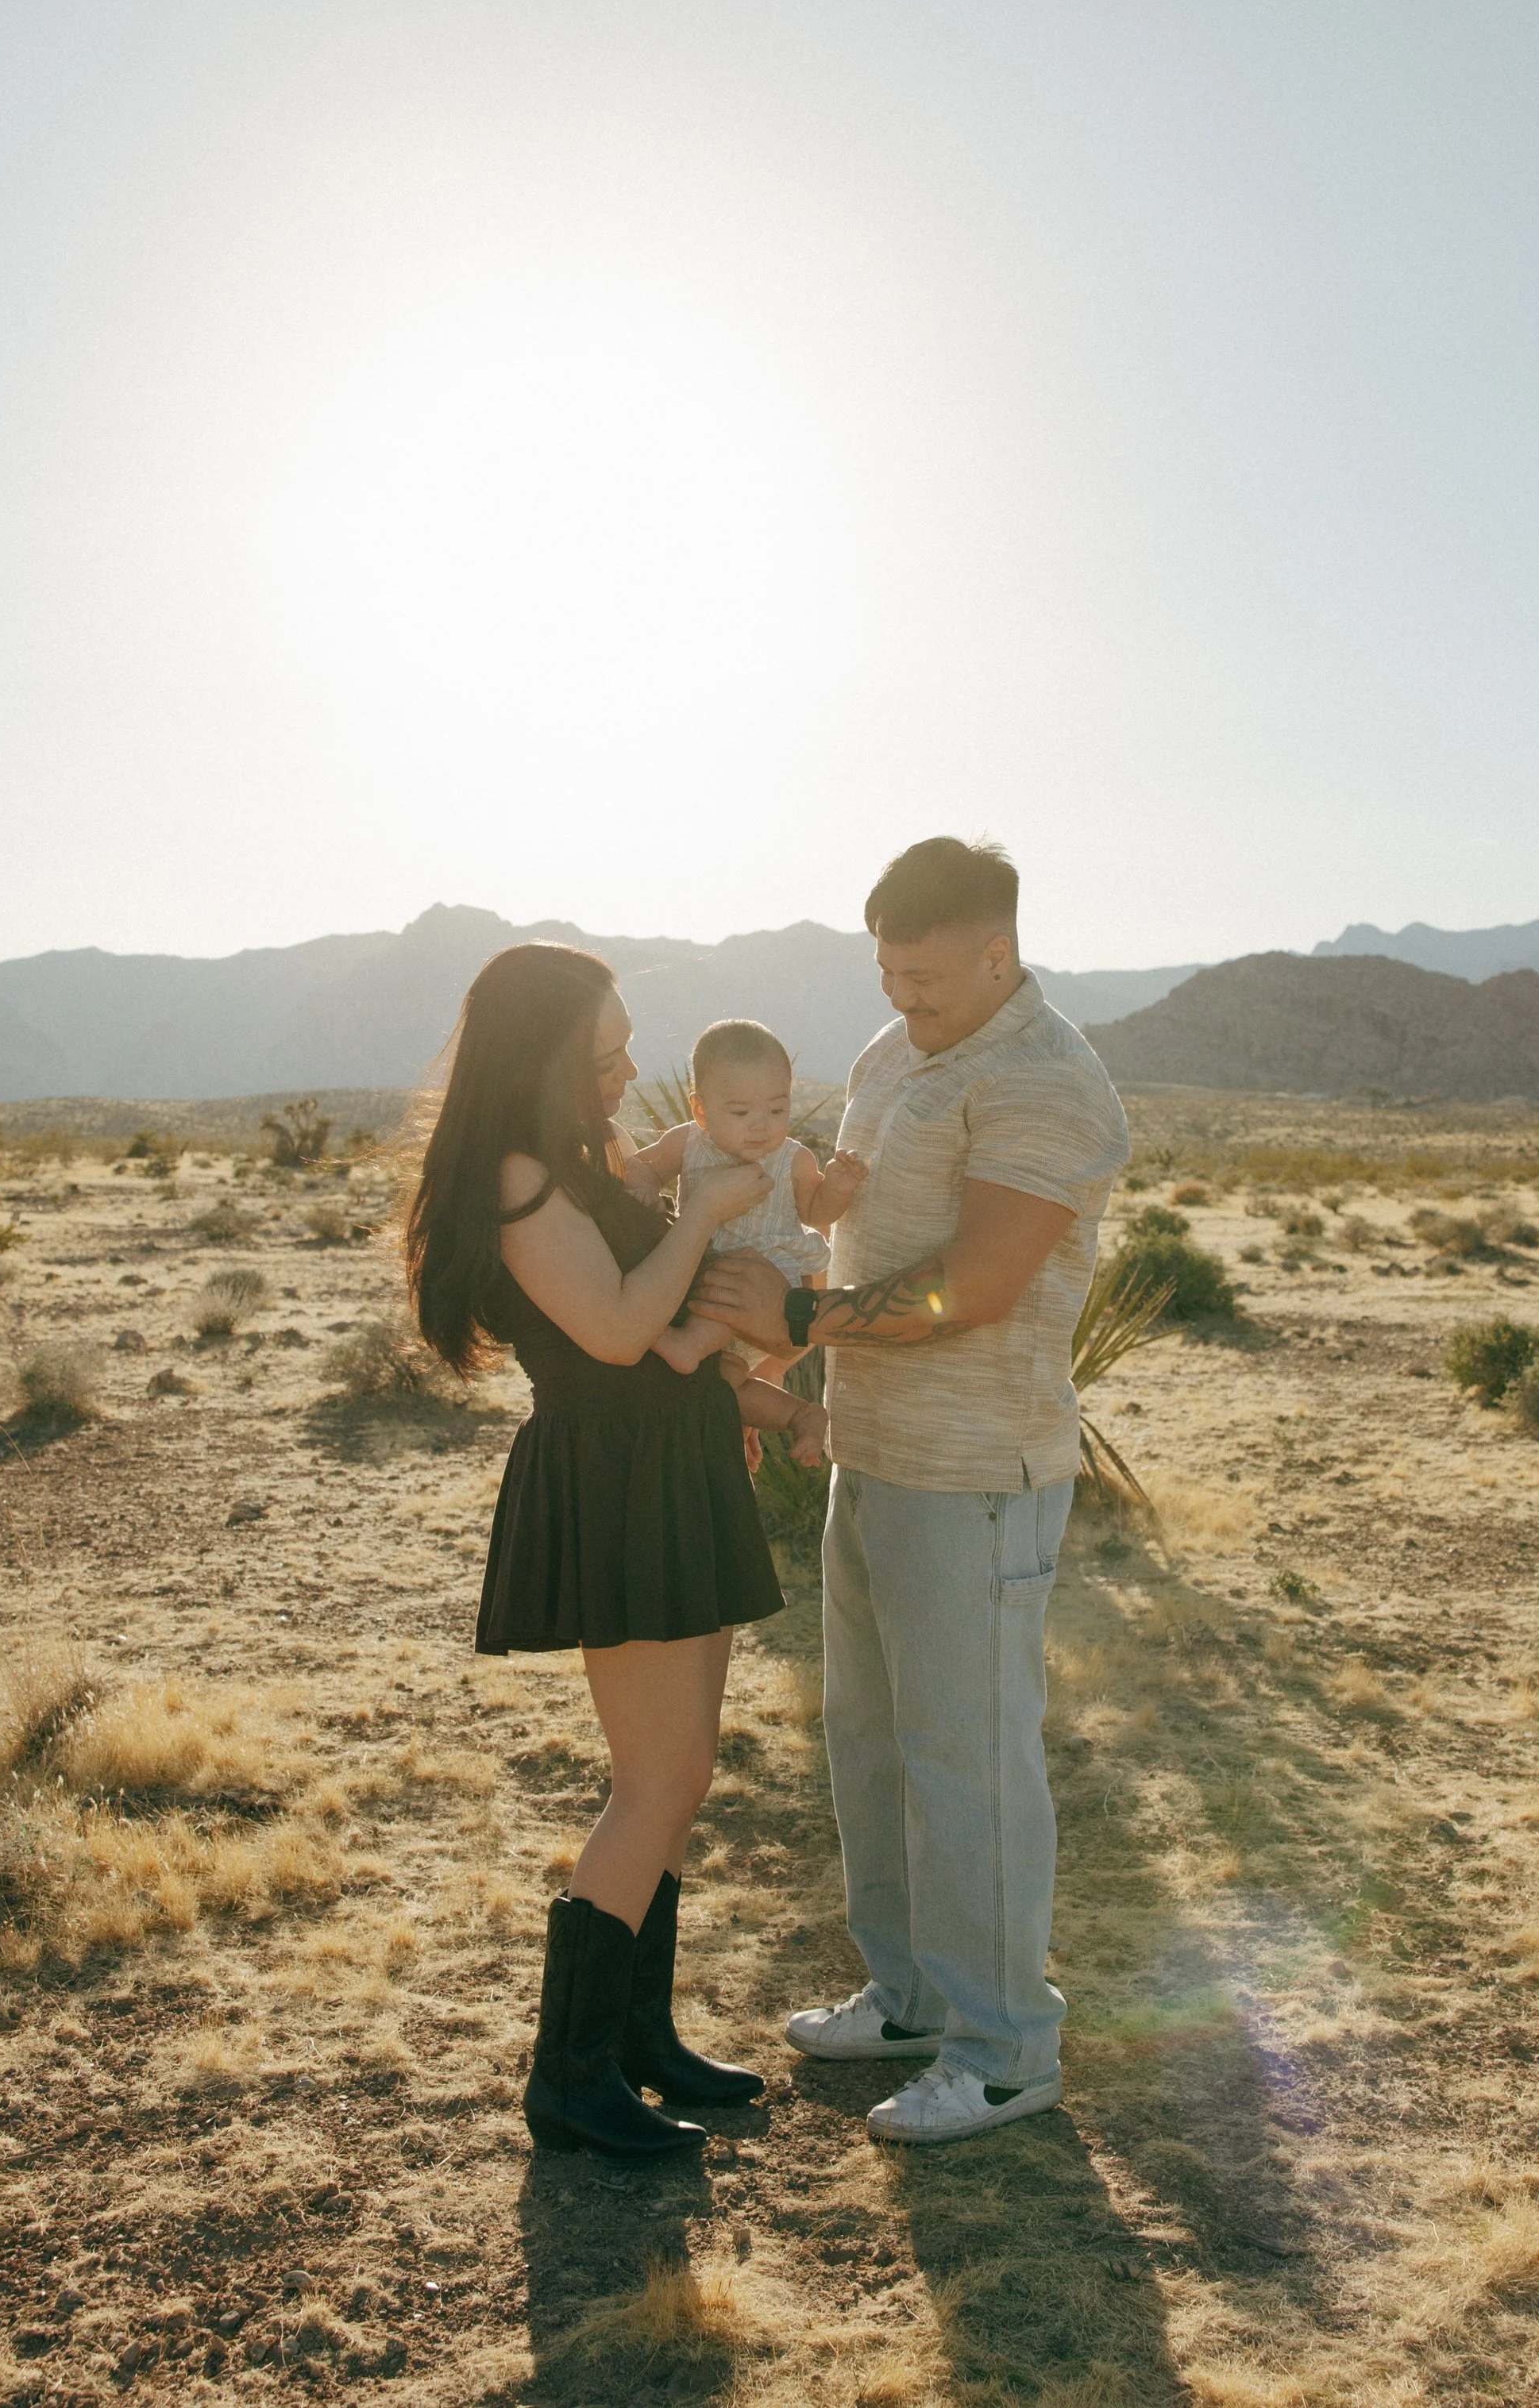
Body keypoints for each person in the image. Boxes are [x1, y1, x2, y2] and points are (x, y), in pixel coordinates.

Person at [689, 837, 1130, 2147]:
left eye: (927, 976)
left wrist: (806, 1314)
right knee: (872, 1740)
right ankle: (911, 1997)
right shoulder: (895, 1055)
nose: (903, 997)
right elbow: (840, 1219)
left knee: (972, 1761)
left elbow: (980, 1284)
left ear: (999, 951)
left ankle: (1004, 2053)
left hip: (976, 1471)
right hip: (866, 1449)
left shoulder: (1049, 1083)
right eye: (887, 970)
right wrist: (773, 1363)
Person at [405, 942, 824, 2159]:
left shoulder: (580, 1162)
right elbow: (621, 1327)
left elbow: (674, 1334)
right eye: (605, 1053)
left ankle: (640, 2039)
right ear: (540, 1058)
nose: (629, 1069)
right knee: (657, 1778)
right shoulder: (518, 1175)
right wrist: (703, 1215)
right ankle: (570, 2075)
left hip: (677, 1471)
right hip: (618, 1486)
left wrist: (771, 1406)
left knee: (682, 1772)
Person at [627, 1016, 866, 1381]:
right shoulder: (687, 1142)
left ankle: (687, 1345)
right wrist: (643, 1187)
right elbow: (641, 1168)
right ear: (701, 1111)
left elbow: (816, 1211)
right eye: (741, 1113)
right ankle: (792, 1413)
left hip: (766, 1280)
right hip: (697, 1265)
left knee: (728, 1294)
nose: (761, 1125)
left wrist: (837, 1188)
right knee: (731, 1378)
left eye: (776, 1110)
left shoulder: (793, 1159)